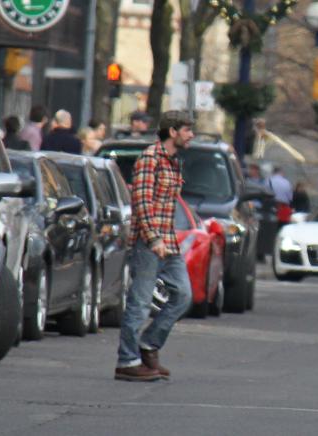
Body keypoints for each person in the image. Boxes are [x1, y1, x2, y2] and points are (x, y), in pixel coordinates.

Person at [115, 110, 194, 382]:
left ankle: (149, 344)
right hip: (148, 242)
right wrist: (153, 238)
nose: (191, 135)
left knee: (183, 296)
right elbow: (141, 201)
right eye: (187, 130)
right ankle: (127, 361)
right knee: (140, 301)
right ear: (172, 132)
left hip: (168, 242)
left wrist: (165, 240)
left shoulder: (173, 161)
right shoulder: (150, 159)